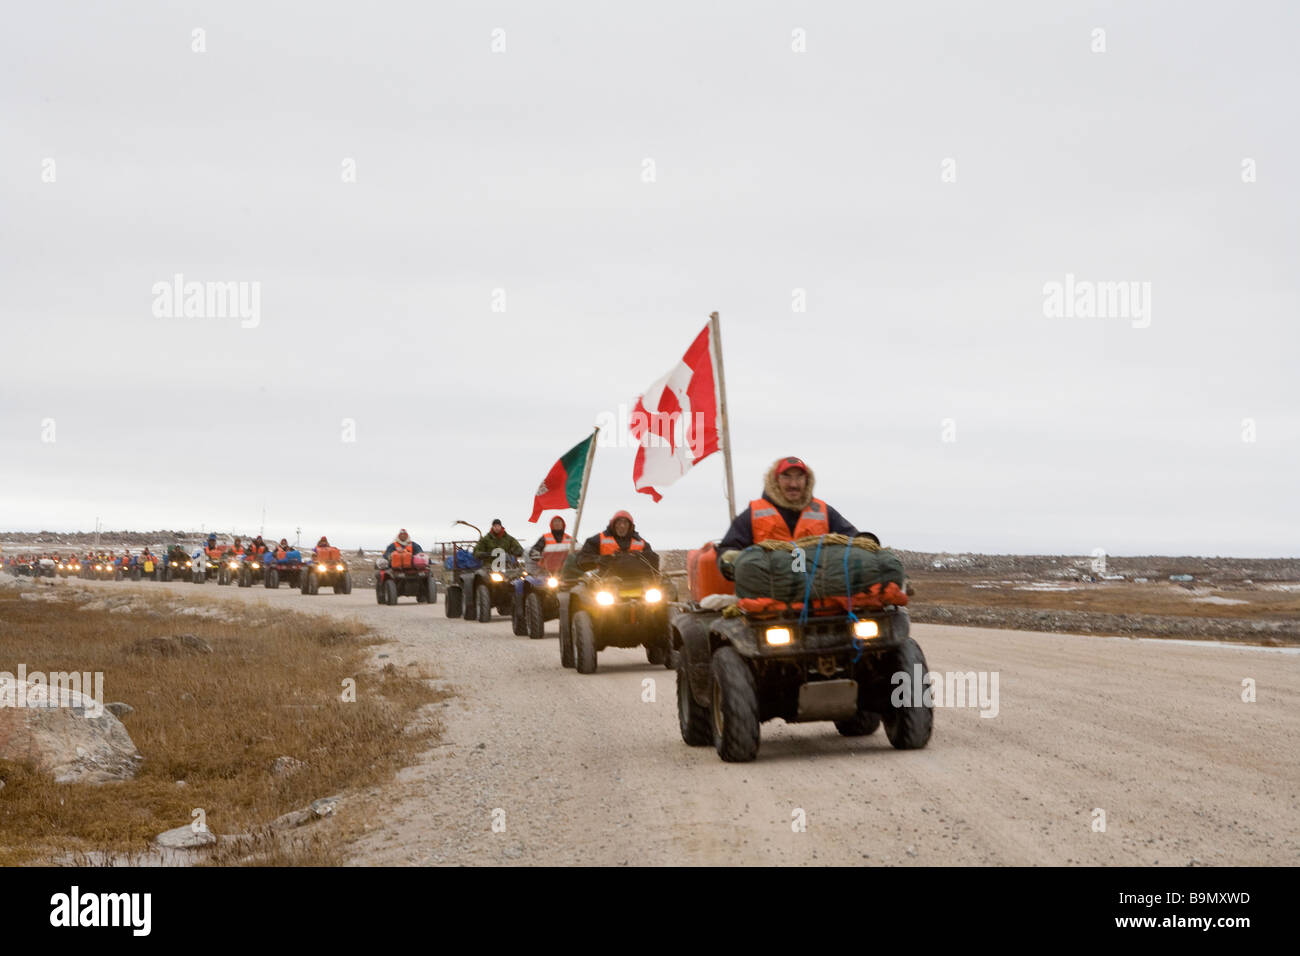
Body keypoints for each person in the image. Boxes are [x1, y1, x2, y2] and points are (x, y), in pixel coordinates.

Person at [717, 456, 877, 573]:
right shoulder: (754, 513)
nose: (793, 484)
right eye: (786, 477)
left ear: (807, 481)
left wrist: (867, 543)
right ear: (775, 480)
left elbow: (852, 538)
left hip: (822, 592)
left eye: (799, 477)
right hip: (769, 593)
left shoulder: (823, 511)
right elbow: (728, 549)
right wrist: (732, 561)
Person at [577, 510, 658, 571]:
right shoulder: (597, 540)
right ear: (613, 524)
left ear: (630, 526)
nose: (622, 526)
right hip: (605, 582)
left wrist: (639, 557)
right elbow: (583, 558)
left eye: (625, 523)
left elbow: (653, 562)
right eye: (619, 522)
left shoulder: (641, 543)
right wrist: (599, 559)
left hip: (639, 581)